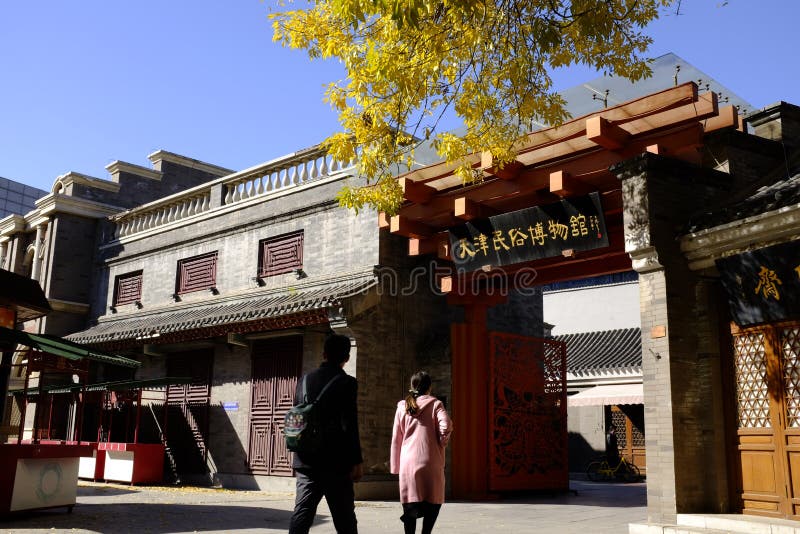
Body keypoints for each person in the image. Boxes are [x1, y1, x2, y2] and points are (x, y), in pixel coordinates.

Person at [289, 334, 363, 534]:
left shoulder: (303, 380)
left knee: (302, 513)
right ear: (346, 358)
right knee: (345, 518)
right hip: (335, 462)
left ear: (323, 354)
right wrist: (356, 460)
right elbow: (349, 424)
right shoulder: (347, 383)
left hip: (305, 459)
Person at [390, 371, 453, 534]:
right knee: (434, 502)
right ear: (429, 387)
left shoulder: (402, 407)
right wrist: (442, 441)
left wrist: (395, 467)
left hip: (408, 464)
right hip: (431, 461)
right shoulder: (436, 404)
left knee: (410, 506)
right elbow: (445, 425)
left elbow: (396, 439)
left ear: (412, 386)